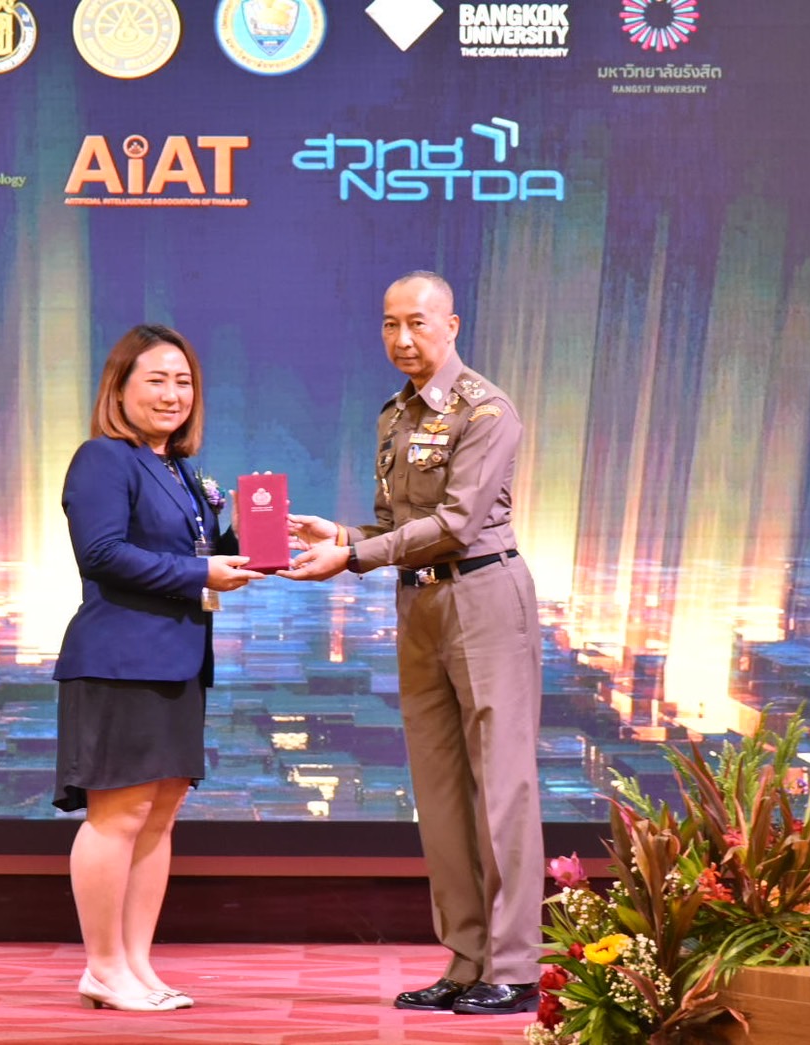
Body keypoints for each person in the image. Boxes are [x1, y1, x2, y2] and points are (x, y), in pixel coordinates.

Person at [280, 271, 544, 1015]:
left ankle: (515, 966)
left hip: (483, 595)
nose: (402, 338)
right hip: (420, 601)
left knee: (502, 788)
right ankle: (465, 960)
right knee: (438, 789)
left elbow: (457, 524)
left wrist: (352, 557)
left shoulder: (486, 410)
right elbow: (396, 527)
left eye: (418, 323)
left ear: (451, 325)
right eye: (390, 323)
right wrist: (342, 534)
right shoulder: (394, 414)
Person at [53, 323, 263, 1012]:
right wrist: (202, 572)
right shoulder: (103, 459)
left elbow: (196, 556)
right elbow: (102, 553)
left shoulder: (179, 469)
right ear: (119, 388)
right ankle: (102, 966)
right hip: (119, 659)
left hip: (176, 660)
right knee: (117, 816)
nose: (173, 394)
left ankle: (136, 964)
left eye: (183, 381)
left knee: (157, 816)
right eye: (156, 380)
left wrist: (252, 538)